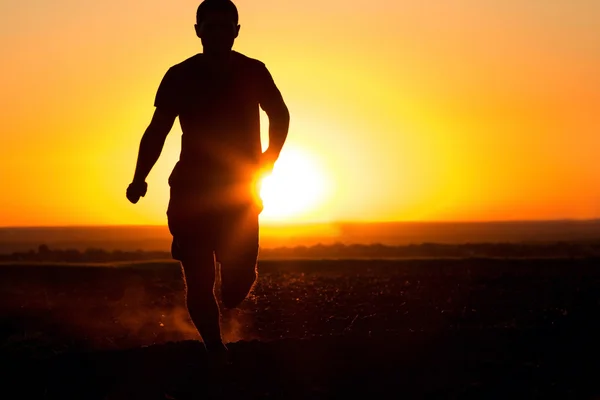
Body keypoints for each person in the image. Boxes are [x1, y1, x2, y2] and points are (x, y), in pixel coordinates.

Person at [126, 0, 290, 356]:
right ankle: (215, 351)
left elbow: (279, 114)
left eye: (224, 26)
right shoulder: (179, 75)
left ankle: (229, 291)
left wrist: (269, 159)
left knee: (237, 284)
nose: (217, 33)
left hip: (239, 193)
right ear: (198, 30)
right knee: (200, 281)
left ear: (236, 30)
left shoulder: (253, 71)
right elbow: (157, 130)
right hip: (190, 192)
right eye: (209, 26)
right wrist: (140, 178)